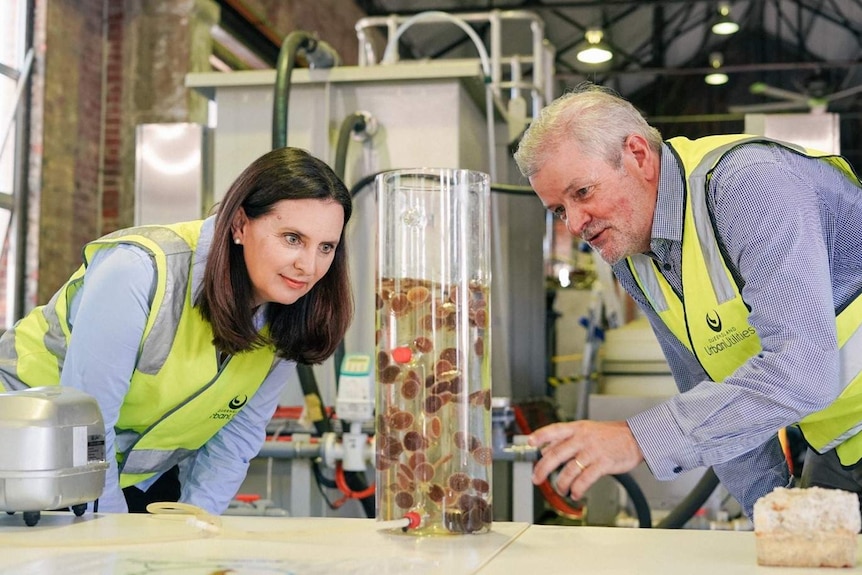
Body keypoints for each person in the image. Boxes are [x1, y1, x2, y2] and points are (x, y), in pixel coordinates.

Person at [513, 82, 862, 519]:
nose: (576, 223)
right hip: (839, 447)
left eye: (582, 192)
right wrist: (772, 514)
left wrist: (637, 438)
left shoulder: (747, 184)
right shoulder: (634, 258)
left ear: (638, 155)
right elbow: (708, 390)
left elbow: (802, 369)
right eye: (559, 211)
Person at [0, 146, 353, 515]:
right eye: (292, 238)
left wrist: (195, 530)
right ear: (239, 225)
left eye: (326, 247)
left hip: (122, 477)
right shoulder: (139, 271)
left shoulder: (285, 315)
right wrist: (111, 536)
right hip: (25, 461)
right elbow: (87, 428)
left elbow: (235, 441)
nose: (308, 266)